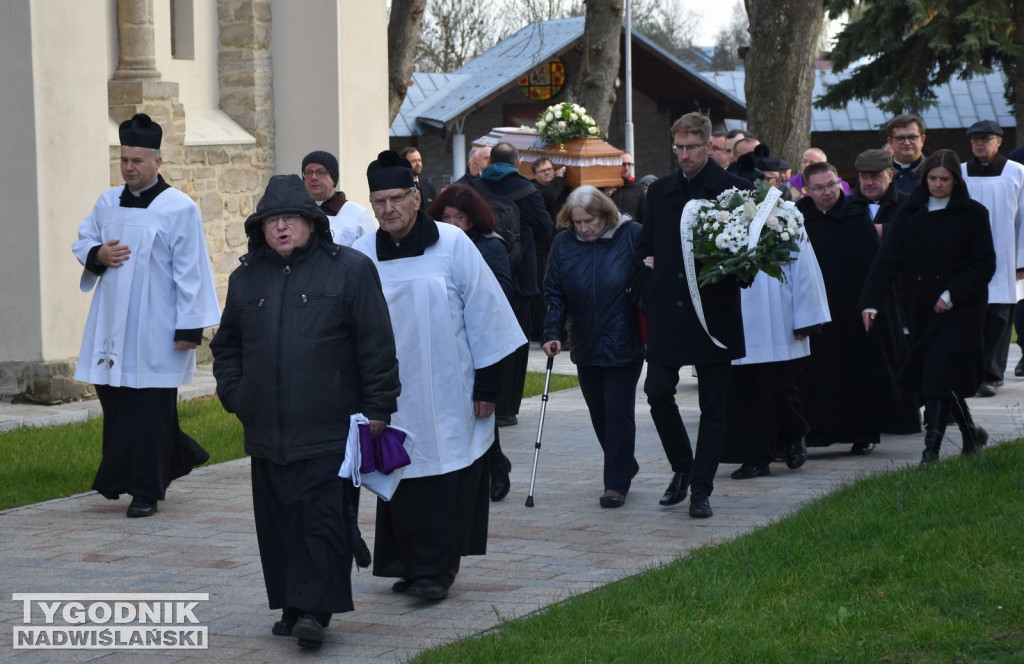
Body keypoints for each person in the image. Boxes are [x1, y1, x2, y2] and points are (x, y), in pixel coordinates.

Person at [210, 175, 400, 650]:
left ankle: (316, 610)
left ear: (312, 223)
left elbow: (376, 345)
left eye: (290, 218)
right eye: (272, 220)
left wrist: (379, 405)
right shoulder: (245, 278)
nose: (281, 228)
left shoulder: (350, 271)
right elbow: (227, 346)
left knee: (322, 518)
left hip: (331, 424)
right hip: (266, 427)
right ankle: (293, 606)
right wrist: (237, 395)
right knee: (279, 524)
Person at [352, 151, 524, 601]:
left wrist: (489, 387)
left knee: (445, 477)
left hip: (448, 387)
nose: (388, 209)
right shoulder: (361, 255)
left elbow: (488, 316)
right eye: (378, 201)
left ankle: (436, 571)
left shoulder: (451, 243)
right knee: (399, 475)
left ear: (415, 196)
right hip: (387, 392)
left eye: (396, 198)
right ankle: (407, 564)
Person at [72, 113, 220, 519]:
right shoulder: (106, 202)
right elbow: (84, 238)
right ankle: (180, 454)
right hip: (110, 327)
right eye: (124, 160)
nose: (129, 168)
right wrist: (97, 254)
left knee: (152, 409)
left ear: (157, 161)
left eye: (137, 160)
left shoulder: (179, 208)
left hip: (157, 326)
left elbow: (192, 271)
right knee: (117, 402)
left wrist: (190, 328)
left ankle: (145, 492)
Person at [633, 112, 752, 519]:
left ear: (709, 146)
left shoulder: (734, 190)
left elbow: (747, 263)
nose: (684, 154)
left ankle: (702, 488)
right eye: (679, 147)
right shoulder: (660, 191)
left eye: (692, 147)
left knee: (713, 405)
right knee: (657, 391)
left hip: (713, 315)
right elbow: (644, 247)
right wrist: (648, 282)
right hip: (668, 311)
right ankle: (683, 469)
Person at [860, 150, 995, 465]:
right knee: (941, 374)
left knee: (937, 372)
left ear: (955, 181)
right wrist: (870, 301)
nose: (938, 185)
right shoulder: (911, 212)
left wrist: (952, 294)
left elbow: (984, 264)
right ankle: (971, 433)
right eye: (933, 178)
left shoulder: (974, 213)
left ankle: (930, 451)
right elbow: (888, 260)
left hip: (962, 306)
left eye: (944, 179)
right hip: (922, 305)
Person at [796, 162, 920, 454]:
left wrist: (871, 305)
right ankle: (814, 433)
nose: (827, 192)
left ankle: (862, 432)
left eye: (831, 185)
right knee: (816, 374)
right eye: (819, 188)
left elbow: (873, 265)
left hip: (852, 309)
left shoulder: (856, 216)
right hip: (814, 310)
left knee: (859, 372)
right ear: (806, 190)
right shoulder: (798, 217)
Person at [543, 186, 645, 508]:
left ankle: (615, 484)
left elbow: (648, 281)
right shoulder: (563, 245)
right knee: (598, 413)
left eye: (589, 221)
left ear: (606, 214)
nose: (583, 228)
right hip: (585, 341)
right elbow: (555, 293)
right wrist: (551, 332)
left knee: (617, 411)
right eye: (577, 222)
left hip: (624, 339)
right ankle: (624, 462)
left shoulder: (630, 235)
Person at [722, 212, 831, 479]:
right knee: (745, 394)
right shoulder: (721, 219)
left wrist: (807, 318)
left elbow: (804, 268)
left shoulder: (786, 218)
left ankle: (795, 436)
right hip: (741, 320)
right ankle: (754, 457)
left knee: (783, 388)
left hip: (779, 319)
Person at [426, 185, 514, 502]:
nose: (452, 224)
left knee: (482, 406)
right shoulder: (433, 246)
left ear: (472, 219)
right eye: (446, 217)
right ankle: (494, 462)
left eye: (459, 217)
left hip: (480, 338)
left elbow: (502, 291)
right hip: (446, 340)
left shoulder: (489, 246)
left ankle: (496, 468)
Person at [478, 142, 554, 427]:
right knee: (515, 341)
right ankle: (507, 409)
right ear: (517, 161)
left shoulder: (475, 187)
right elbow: (546, 229)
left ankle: (486, 400)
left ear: (490, 162)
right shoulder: (527, 190)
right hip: (520, 277)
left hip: (482, 273)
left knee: (484, 337)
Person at [960, 120, 1024, 397]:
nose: (980, 143)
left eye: (986, 139)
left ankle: (991, 374)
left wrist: (1021, 260)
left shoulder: (1017, 172)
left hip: (1006, 255)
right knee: (971, 317)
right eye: (975, 139)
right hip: (967, 257)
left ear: (999, 142)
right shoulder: (960, 173)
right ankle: (971, 372)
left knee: (999, 317)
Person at [301, 150, 376, 247]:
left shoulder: (358, 214)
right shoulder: (297, 214)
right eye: (308, 172)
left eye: (320, 172)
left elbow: (370, 252)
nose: (313, 177)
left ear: (333, 178)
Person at [848, 148, 907, 240]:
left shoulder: (907, 204)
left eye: (875, 176)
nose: (869, 182)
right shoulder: (845, 205)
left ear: (890, 176)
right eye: (864, 177)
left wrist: (885, 230)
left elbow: (917, 232)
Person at [786, 148, 852, 201]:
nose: (806, 165)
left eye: (812, 162)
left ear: (823, 165)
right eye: (804, 161)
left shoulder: (840, 185)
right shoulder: (789, 184)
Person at [886, 114, 928, 195]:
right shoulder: (879, 173)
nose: (907, 143)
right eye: (900, 138)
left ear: (922, 140)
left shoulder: (934, 171)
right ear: (890, 142)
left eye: (912, 137)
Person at [605, 152, 644, 223]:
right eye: (623, 164)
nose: (626, 168)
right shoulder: (606, 188)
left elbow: (643, 217)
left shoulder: (638, 188)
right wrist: (606, 195)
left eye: (629, 164)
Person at [399, 146, 438, 212]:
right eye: (413, 161)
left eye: (419, 160)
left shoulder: (428, 185)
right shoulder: (398, 187)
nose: (418, 164)